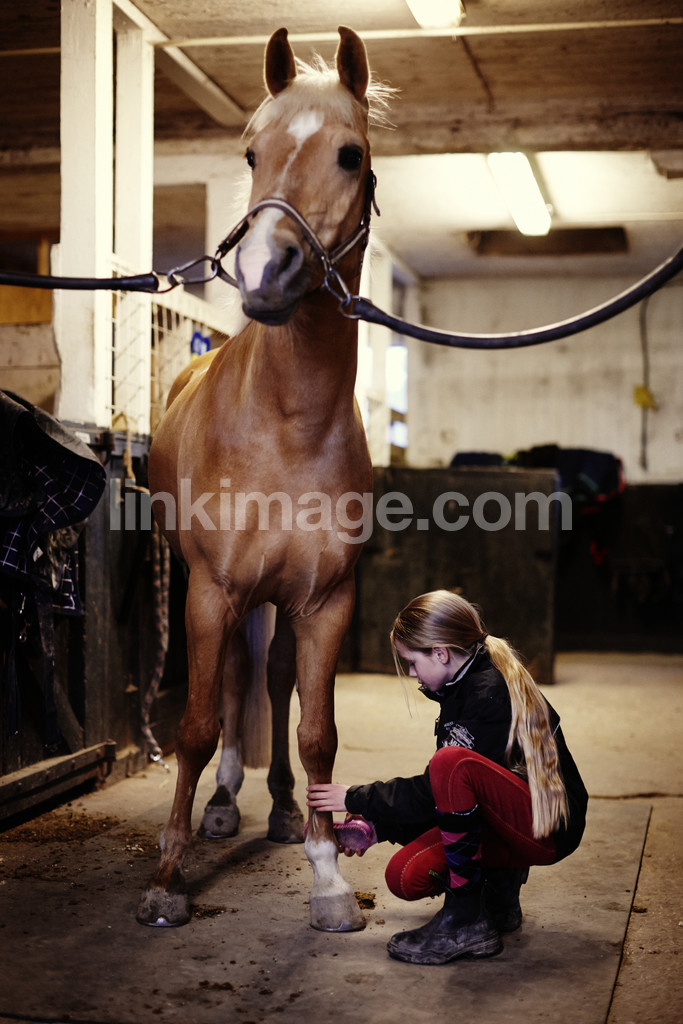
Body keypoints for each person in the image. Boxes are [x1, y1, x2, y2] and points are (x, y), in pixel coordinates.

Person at [307, 589, 588, 966]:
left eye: (412, 662)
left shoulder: (487, 692)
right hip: (515, 816)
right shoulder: (463, 683)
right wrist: (377, 826)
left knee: (451, 764)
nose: (411, 673)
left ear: (441, 653)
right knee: (405, 875)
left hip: (548, 828)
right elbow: (451, 801)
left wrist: (355, 798)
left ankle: (466, 921)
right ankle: (498, 897)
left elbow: (437, 787)